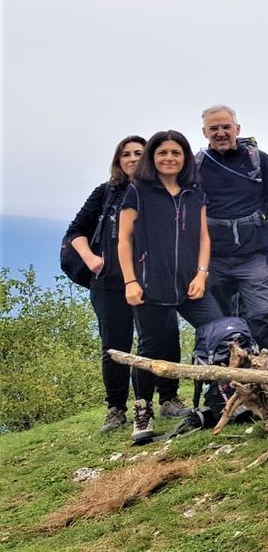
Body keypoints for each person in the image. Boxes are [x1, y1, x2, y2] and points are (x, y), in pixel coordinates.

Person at [67, 135, 188, 431]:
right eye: (126, 154)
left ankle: (169, 399)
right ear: (118, 161)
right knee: (114, 346)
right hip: (110, 283)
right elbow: (75, 231)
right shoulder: (106, 192)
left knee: (163, 338)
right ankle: (116, 408)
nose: (133, 158)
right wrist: (91, 258)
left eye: (139, 153)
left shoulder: (165, 191)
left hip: (154, 282)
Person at [118, 130, 224, 444]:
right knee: (151, 348)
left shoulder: (195, 193)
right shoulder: (138, 192)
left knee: (220, 331)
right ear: (153, 157)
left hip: (190, 283)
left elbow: (204, 237)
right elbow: (123, 239)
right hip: (150, 283)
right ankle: (143, 412)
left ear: (185, 158)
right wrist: (130, 281)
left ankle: (220, 398)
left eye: (176, 153)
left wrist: (202, 274)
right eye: (163, 153)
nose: (169, 158)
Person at [197, 105, 268, 370]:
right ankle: (224, 382)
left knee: (264, 315)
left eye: (226, 127)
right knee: (219, 323)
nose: (220, 133)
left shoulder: (258, 160)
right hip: (212, 258)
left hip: (253, 256)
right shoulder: (196, 166)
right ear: (204, 132)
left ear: (237, 129)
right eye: (214, 128)